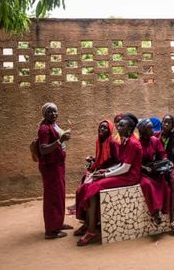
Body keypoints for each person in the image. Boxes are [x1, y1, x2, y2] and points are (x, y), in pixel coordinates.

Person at [75, 115, 142, 246]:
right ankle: (89, 223)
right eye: (119, 124)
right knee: (91, 184)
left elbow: (125, 168)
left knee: (94, 187)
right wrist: (105, 171)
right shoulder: (125, 140)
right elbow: (121, 164)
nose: (118, 127)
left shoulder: (133, 143)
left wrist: (105, 176)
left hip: (130, 177)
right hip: (124, 173)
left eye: (122, 125)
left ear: (129, 129)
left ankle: (91, 230)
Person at [67, 120, 119, 215]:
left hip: (109, 172)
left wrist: (106, 170)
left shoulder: (113, 143)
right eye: (100, 127)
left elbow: (117, 161)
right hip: (101, 169)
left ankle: (85, 212)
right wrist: (93, 159)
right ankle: (80, 206)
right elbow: (101, 158)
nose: (102, 129)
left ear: (110, 130)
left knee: (87, 185)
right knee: (84, 179)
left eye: (105, 127)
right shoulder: (99, 141)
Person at [38, 102, 73, 239]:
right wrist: (60, 140)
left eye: (55, 111)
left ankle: (58, 222)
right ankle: (51, 230)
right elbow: (43, 149)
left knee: (59, 194)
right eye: (50, 112)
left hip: (58, 165)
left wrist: (63, 138)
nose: (53, 114)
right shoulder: (44, 129)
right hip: (50, 166)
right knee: (52, 196)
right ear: (44, 114)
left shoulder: (54, 125)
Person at [138, 119, 172, 227]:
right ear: (142, 130)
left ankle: (165, 211)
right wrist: (143, 168)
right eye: (149, 128)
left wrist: (164, 163)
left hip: (154, 170)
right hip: (142, 172)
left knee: (164, 184)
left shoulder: (155, 141)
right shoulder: (137, 143)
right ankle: (155, 213)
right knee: (147, 185)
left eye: (152, 127)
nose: (152, 130)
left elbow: (162, 154)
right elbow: (133, 162)